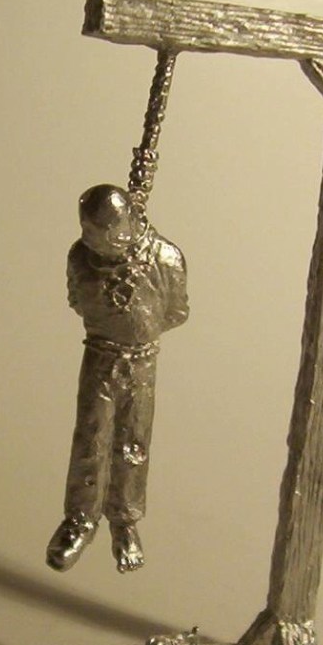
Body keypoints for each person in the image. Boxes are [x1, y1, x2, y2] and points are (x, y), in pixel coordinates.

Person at [46, 184, 188, 573]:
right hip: (98, 355)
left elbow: (176, 312)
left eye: (97, 233)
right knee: (90, 438)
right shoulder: (80, 258)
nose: (88, 240)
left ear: (121, 227)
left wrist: (137, 333)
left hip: (141, 362)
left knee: (133, 442)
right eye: (85, 230)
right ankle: (80, 520)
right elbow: (78, 301)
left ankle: (124, 522)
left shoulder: (164, 257)